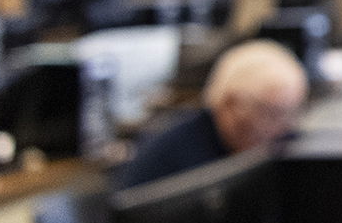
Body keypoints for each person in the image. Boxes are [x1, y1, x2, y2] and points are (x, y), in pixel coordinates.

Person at [117, 39, 308, 189]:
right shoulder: (166, 162)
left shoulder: (286, 144)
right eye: (274, 113)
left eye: (293, 111)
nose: (288, 125)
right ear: (231, 104)